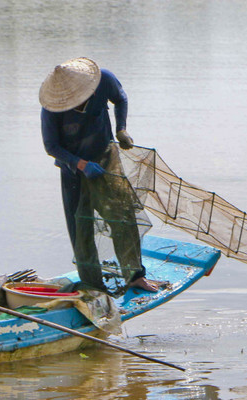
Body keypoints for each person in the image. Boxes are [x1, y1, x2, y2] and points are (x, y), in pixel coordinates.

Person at [39, 57, 157, 293]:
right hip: (74, 171)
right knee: (80, 227)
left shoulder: (103, 80)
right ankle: (93, 284)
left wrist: (121, 129)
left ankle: (134, 276)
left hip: (105, 160)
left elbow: (121, 98)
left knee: (123, 217)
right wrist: (81, 165)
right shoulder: (51, 109)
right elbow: (51, 147)